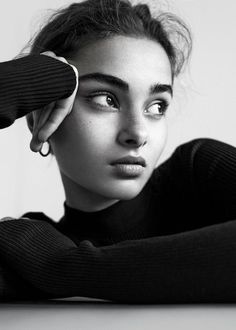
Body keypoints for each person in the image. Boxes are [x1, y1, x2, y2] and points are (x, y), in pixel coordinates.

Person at [0, 0, 235, 303]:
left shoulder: (199, 173)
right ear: (41, 118)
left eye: (156, 106)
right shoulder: (25, 244)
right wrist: (31, 81)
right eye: (106, 99)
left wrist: (64, 267)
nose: (137, 134)